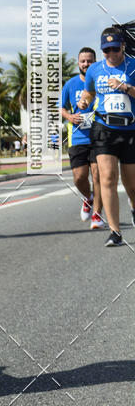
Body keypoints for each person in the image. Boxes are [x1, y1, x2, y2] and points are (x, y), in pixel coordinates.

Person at [78, 26, 135, 246]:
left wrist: (125, 87)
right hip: (104, 128)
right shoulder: (94, 70)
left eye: (114, 49)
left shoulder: (132, 66)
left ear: (122, 46)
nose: (110, 54)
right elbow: (89, 91)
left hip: (130, 129)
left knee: (131, 184)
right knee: (108, 178)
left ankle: (132, 205)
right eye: (106, 50)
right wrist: (84, 100)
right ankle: (115, 232)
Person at [60, 47, 103, 228]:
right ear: (78, 63)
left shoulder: (101, 83)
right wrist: (70, 117)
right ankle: (88, 198)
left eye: (90, 61)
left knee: (98, 176)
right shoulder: (70, 84)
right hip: (77, 138)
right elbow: (61, 107)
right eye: (83, 61)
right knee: (79, 178)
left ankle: (97, 215)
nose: (86, 64)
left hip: (99, 136)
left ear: (95, 62)